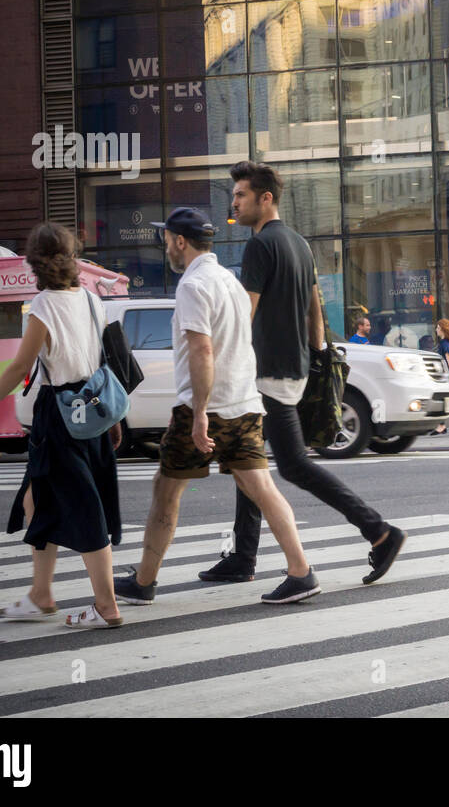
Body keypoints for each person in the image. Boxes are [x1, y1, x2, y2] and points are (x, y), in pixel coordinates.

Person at [200, 164, 407, 586]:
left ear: (265, 199)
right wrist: (313, 363)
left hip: (266, 373)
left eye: (240, 195)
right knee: (247, 459)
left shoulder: (260, 246)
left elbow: (244, 314)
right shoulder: (299, 244)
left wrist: (224, 365)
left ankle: (379, 531)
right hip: (293, 369)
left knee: (292, 465)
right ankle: (243, 554)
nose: (234, 203)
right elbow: (316, 314)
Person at [115, 207, 320, 607]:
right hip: (245, 404)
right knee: (261, 488)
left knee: (166, 490)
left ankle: (144, 582)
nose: (165, 246)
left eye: (166, 238)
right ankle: (301, 572)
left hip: (204, 408)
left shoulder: (192, 286)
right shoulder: (228, 279)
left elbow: (202, 350)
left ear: (179, 241)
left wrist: (199, 414)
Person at [0, 222, 123, 628]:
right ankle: (41, 593)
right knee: (36, 499)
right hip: (93, 408)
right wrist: (119, 418)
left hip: (59, 416)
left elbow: (19, 367)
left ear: (35, 264)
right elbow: (105, 361)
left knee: (84, 507)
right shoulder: (90, 300)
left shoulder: (43, 306)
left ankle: (107, 605)